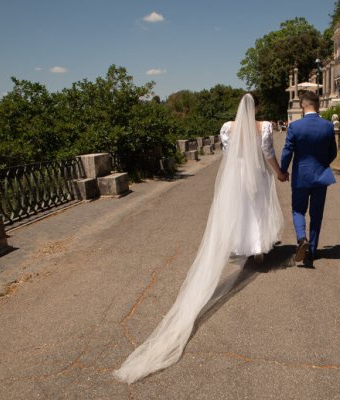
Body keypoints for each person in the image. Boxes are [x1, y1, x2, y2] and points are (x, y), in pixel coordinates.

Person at [113, 93, 285, 384]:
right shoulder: (265, 126)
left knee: (239, 212)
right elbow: (268, 155)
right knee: (257, 211)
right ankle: (257, 250)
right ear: (257, 107)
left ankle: (244, 245)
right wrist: (279, 173)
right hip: (256, 175)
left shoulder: (227, 128)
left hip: (237, 177)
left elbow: (229, 156)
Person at [280, 91, 337, 264]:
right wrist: (322, 164)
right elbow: (333, 152)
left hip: (300, 177)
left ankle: (301, 239)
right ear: (318, 105)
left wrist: (283, 170)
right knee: (316, 214)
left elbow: (287, 151)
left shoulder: (295, 127)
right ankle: (311, 252)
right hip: (321, 176)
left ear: (303, 106)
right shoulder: (328, 126)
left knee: (298, 210)